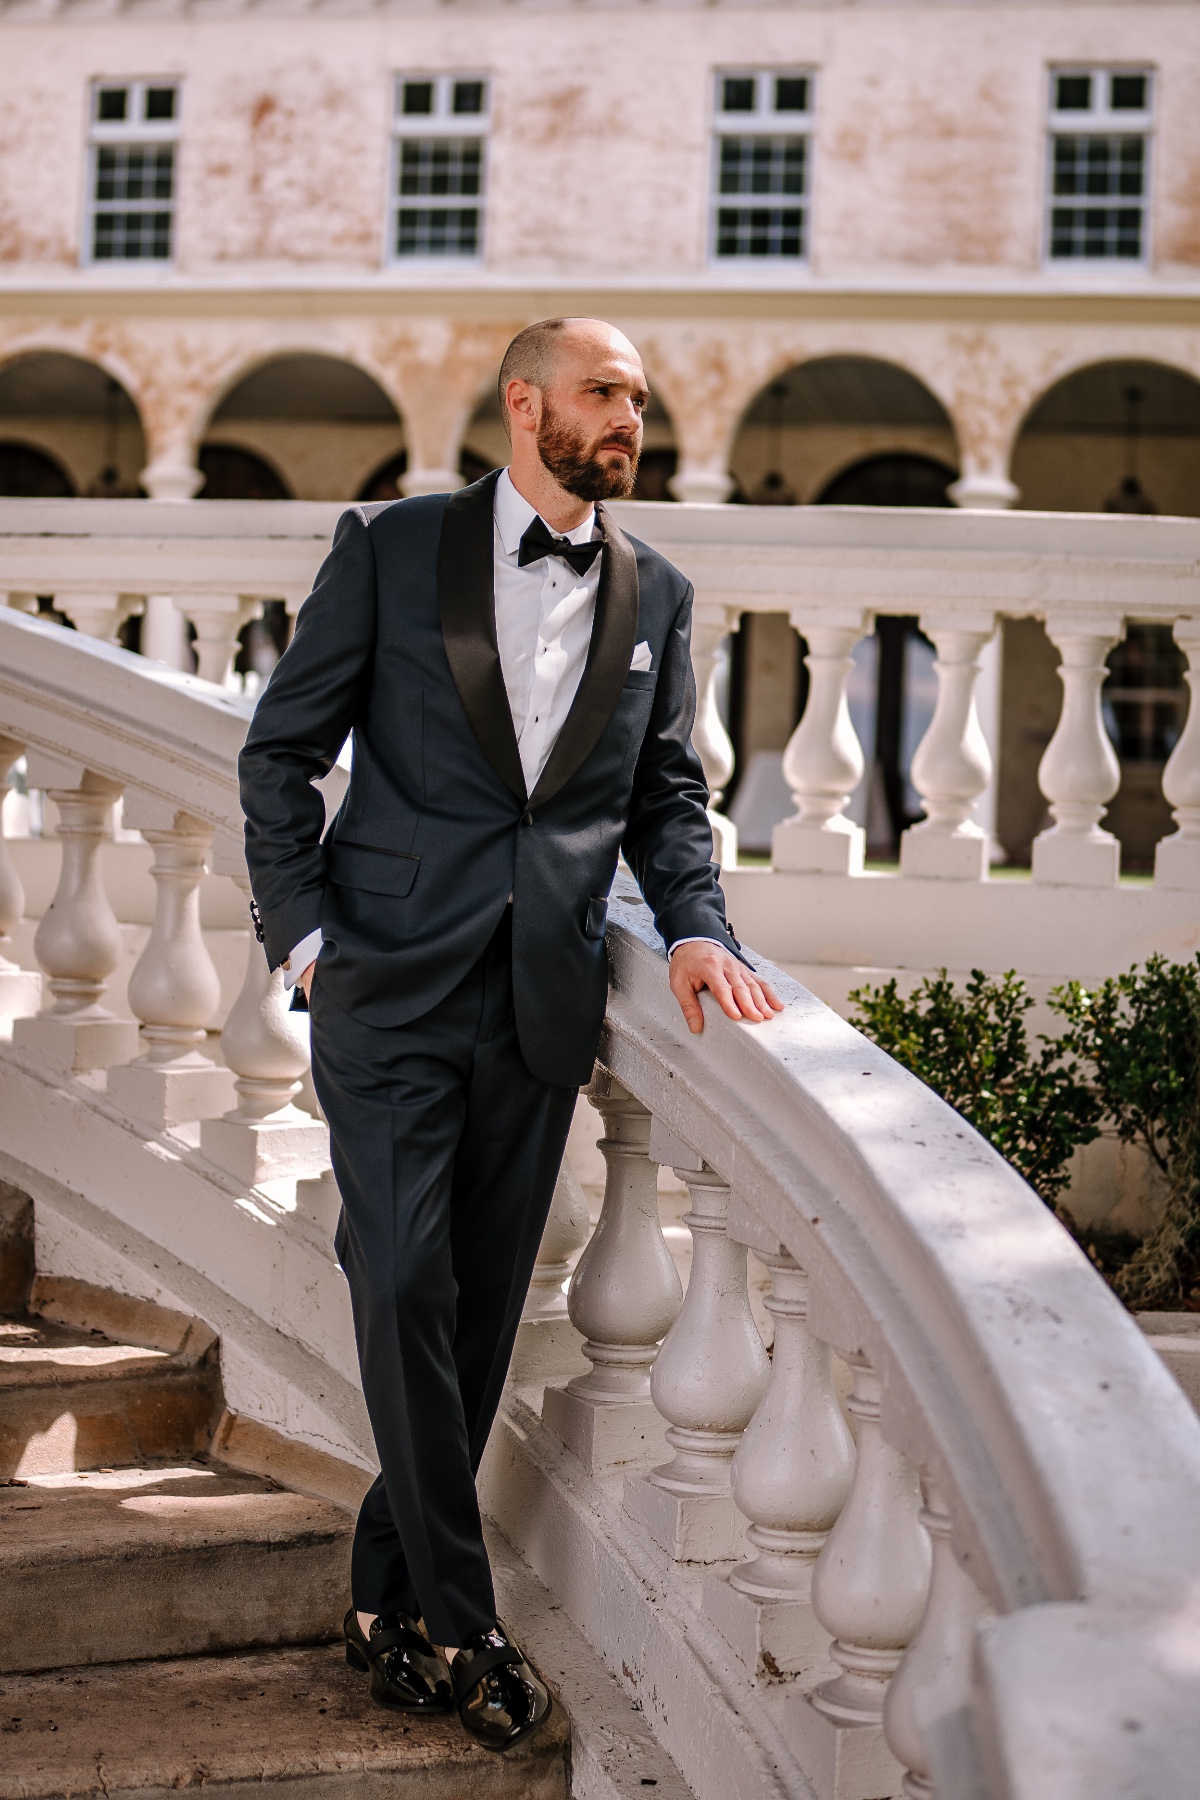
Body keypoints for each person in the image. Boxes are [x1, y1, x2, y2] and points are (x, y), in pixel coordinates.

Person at [238, 317, 783, 1752]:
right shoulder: (393, 549)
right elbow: (278, 752)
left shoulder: (658, 592)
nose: (630, 419)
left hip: (542, 992)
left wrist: (703, 932)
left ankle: (382, 1596)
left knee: (478, 1314)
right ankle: (463, 1620)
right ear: (524, 400)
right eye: (606, 393)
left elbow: (665, 798)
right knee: (403, 1269)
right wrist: (303, 935)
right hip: (386, 978)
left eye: (643, 401)